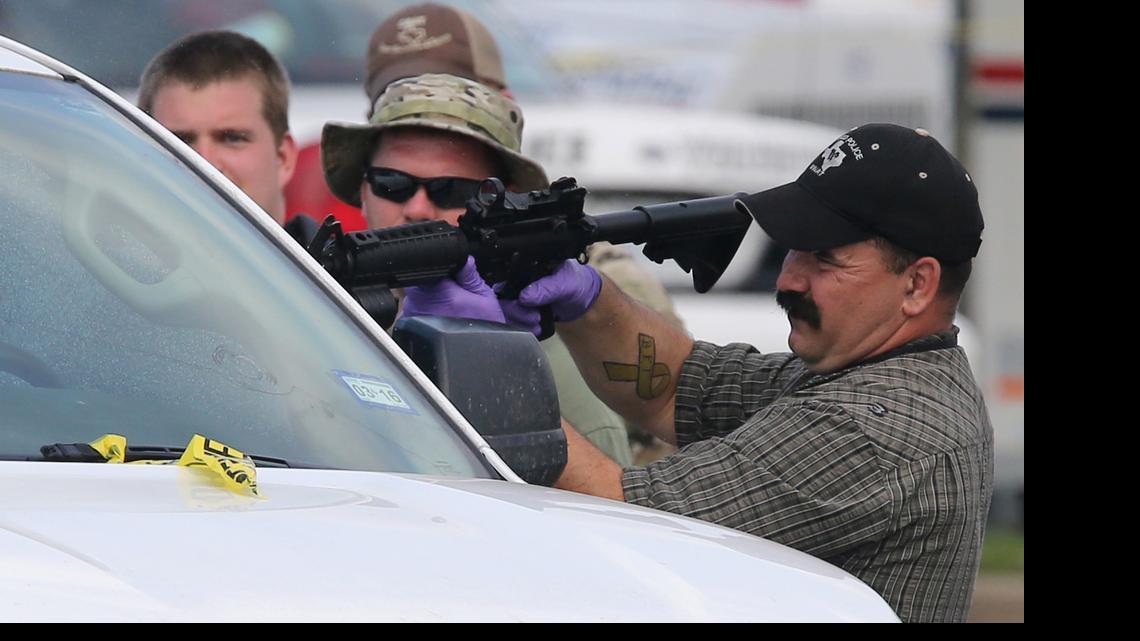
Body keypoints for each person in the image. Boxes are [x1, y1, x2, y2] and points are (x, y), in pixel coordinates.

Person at [405, 123, 993, 623]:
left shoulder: (876, 427)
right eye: (793, 250)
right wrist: (584, 298)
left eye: (825, 259)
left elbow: (620, 516)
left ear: (917, 285)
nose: (789, 279)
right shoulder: (864, 371)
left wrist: (480, 353)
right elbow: (679, 386)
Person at [138, 30, 318, 244]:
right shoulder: (101, 270)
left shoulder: (338, 277)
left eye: (232, 139)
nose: (204, 162)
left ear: (283, 159)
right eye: (178, 142)